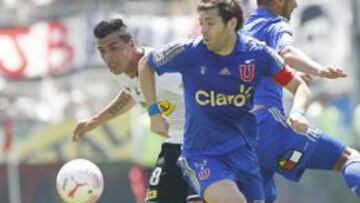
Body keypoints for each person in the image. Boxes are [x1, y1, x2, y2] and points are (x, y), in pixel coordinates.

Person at [138, 0, 311, 202]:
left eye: (210, 23)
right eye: (201, 23)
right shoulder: (189, 51)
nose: (203, 30)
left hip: (243, 155)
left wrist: (297, 112)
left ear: (232, 23)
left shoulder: (258, 54)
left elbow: (298, 86)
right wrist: (154, 113)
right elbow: (145, 64)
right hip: (201, 155)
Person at [72, 19, 202, 203]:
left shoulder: (163, 69)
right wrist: (95, 121)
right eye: (102, 51)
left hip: (201, 144)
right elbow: (130, 94)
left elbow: (203, 87)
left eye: (113, 48)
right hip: (175, 144)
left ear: (131, 44)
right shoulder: (125, 71)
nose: (108, 57)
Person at [243, 0, 360, 202]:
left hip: (242, 136)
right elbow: (287, 51)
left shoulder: (242, 32)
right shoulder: (275, 24)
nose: (296, 5)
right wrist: (319, 69)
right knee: (350, 158)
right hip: (269, 129)